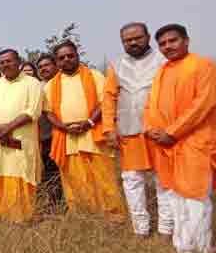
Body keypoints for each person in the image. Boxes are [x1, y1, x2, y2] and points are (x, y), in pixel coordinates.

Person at [144, 24, 216, 253]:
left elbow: (203, 105)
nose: (168, 46)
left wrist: (173, 132)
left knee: (195, 200)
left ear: (186, 41)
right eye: (163, 43)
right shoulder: (163, 70)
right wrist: (151, 129)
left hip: (194, 145)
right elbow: (151, 104)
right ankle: (182, 251)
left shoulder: (202, 66)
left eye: (173, 41)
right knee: (176, 199)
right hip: (168, 147)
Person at [43, 41, 126, 219]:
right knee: (75, 181)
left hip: (93, 134)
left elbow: (104, 102)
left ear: (77, 55)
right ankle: (84, 218)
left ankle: (114, 218)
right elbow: (48, 112)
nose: (66, 60)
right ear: (56, 62)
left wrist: (88, 122)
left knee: (103, 179)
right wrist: (63, 127)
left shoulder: (94, 75)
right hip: (67, 138)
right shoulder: (51, 85)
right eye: (61, 58)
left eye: (70, 55)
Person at [103, 22, 169, 238]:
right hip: (128, 131)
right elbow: (109, 98)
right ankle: (141, 230)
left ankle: (166, 229)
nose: (132, 42)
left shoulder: (164, 60)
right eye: (127, 40)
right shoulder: (116, 64)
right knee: (132, 181)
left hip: (160, 132)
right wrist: (108, 129)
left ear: (148, 36)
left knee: (164, 181)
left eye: (137, 38)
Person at [0, 49, 43, 222]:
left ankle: (23, 219)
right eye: (2, 62)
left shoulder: (33, 83)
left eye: (9, 61)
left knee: (21, 176)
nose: (5, 64)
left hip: (21, 142)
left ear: (19, 61)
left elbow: (32, 111)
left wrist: (8, 128)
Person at [36, 53, 63, 211]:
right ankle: (55, 206)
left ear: (55, 65)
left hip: (64, 134)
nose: (43, 69)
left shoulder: (63, 82)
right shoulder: (38, 86)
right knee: (50, 173)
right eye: (40, 67)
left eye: (46, 65)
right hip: (44, 137)